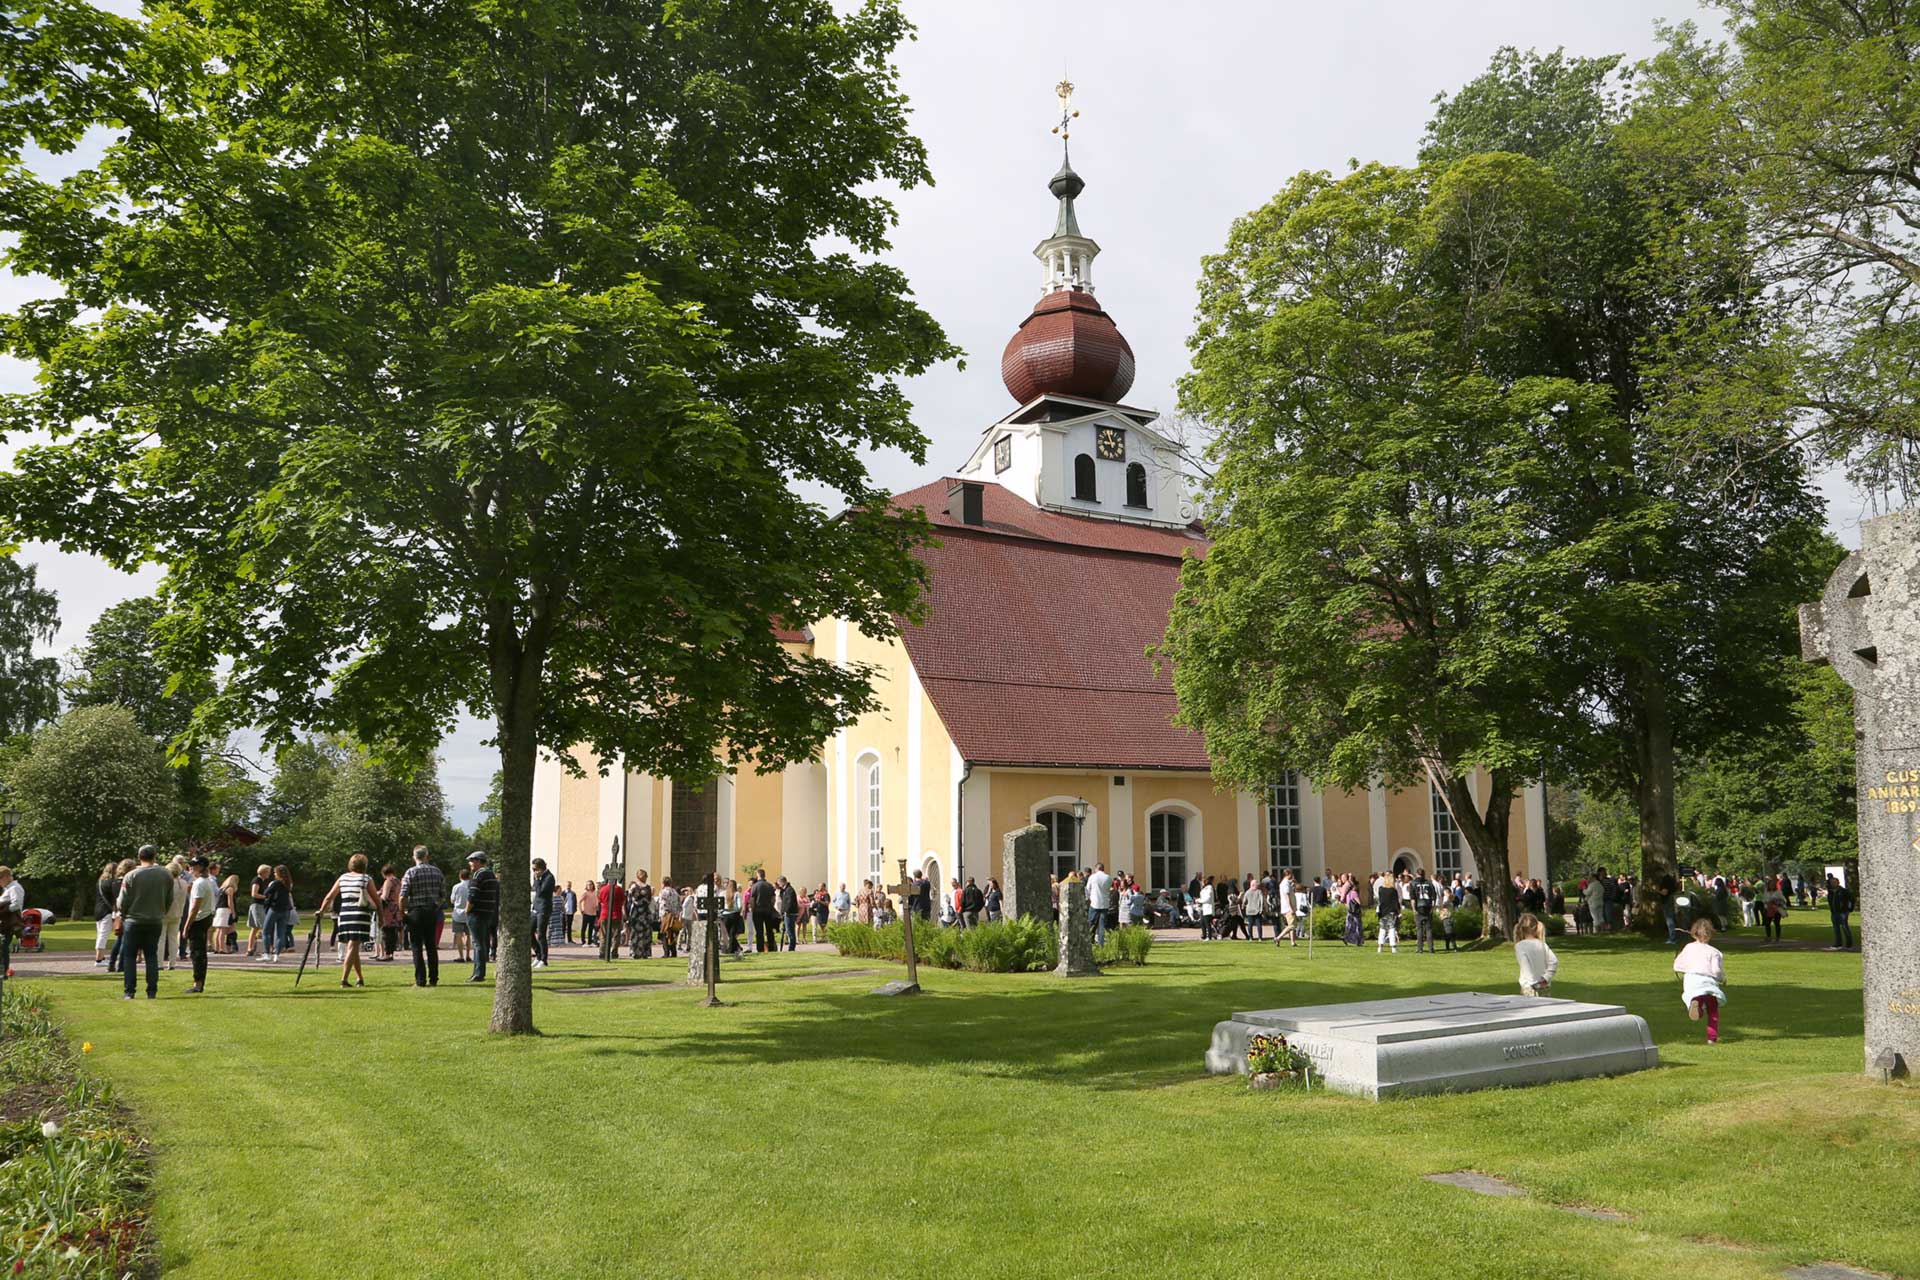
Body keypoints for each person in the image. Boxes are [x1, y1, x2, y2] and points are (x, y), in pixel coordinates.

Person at [116, 845, 176, 1000]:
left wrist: (123, 914)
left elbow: (122, 901)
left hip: (133, 920)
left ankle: (129, 991)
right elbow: (169, 898)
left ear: (139, 856)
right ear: (154, 856)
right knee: (151, 955)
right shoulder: (166, 875)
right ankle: (152, 991)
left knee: (129, 956)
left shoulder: (131, 875)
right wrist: (161, 912)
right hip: (155, 920)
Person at [320, 854, 377, 988]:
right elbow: (376, 899)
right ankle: (344, 980)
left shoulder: (343, 878)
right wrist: (380, 914)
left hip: (344, 914)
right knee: (353, 946)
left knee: (353, 947)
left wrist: (321, 911)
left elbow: (329, 897)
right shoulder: (366, 879)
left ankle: (359, 978)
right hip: (359, 914)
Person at [1674, 918, 1728, 1044]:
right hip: (1708, 983)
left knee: (1697, 998)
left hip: (1692, 981)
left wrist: (1689, 968)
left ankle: (1696, 1003)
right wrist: (1723, 979)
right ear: (1710, 934)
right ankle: (1712, 1038)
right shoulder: (1714, 952)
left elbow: (1677, 966)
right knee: (1713, 1011)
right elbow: (1716, 971)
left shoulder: (1688, 948)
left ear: (1694, 933)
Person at [400, 846, 447, 988]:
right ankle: (433, 978)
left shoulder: (410, 872)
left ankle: (420, 980)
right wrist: (435, 906)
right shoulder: (437, 872)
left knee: (416, 946)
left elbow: (403, 895)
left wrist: (402, 912)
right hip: (431, 911)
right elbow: (443, 895)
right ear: (427, 856)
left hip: (416, 911)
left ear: (414, 857)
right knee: (431, 946)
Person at [466, 854, 500, 981]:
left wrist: (466, 910)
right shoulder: (491, 875)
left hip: (477, 913)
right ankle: (479, 972)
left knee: (477, 943)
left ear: (479, 861)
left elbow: (472, 895)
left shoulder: (478, 875)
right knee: (482, 942)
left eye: (472, 861)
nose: (470, 864)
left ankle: (478, 973)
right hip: (488, 913)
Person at [1514, 912, 1557, 996]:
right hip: (1544, 986)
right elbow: (1554, 961)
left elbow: (1525, 965)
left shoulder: (1520, 946)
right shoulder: (1542, 944)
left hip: (1529, 988)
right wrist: (1546, 978)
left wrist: (1533, 983)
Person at [260, 865, 294, 962]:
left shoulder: (275, 883)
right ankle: (277, 955)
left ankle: (267, 953)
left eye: (275, 873)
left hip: (274, 909)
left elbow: (266, 893)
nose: (274, 874)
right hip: (285, 910)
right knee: (281, 933)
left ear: (279, 873)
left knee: (266, 931)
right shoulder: (289, 883)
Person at [529, 857, 556, 969]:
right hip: (535, 908)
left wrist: (537, 880)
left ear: (541, 868)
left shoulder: (549, 878)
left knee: (541, 934)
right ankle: (538, 955)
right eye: (533, 870)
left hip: (544, 909)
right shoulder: (539, 877)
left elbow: (540, 892)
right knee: (529, 932)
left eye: (535, 869)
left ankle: (544, 959)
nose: (534, 872)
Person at [93, 861, 119, 966]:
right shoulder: (111, 883)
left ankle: (101, 957)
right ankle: (98, 959)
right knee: (103, 935)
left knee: (100, 934)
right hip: (106, 910)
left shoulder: (100, 881)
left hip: (98, 910)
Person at [245, 863, 271, 957]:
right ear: (263, 872)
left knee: (255, 928)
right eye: (268, 872)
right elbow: (254, 894)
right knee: (264, 927)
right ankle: (267, 949)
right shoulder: (257, 880)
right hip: (257, 905)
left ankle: (250, 949)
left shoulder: (263, 881)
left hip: (258, 905)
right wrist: (266, 897)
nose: (269, 874)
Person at [1410, 868, 1437, 954]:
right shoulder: (1429, 883)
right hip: (1428, 906)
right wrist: (1432, 908)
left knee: (1419, 929)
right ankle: (1430, 948)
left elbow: (1413, 898)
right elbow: (1433, 897)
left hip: (1419, 906)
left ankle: (1420, 948)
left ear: (1416, 874)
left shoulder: (1413, 883)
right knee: (1428, 929)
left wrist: (1414, 909)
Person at [749, 872, 778, 953]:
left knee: (759, 931)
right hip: (768, 911)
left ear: (758, 875)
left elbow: (752, 900)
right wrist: (771, 906)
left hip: (758, 911)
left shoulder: (755, 886)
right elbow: (773, 899)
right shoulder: (769, 885)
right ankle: (771, 947)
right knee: (769, 930)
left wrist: (753, 909)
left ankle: (760, 948)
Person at [450, 867, 473, 964]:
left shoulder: (456, 887)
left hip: (458, 914)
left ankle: (461, 956)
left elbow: (452, 900)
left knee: (458, 935)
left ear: (460, 876)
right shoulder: (472, 886)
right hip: (469, 913)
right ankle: (468, 955)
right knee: (468, 935)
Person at [1085, 863, 1112, 945]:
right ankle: (1101, 943)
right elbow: (1108, 889)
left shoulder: (1092, 877)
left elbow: (1087, 889)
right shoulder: (1108, 877)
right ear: (1103, 868)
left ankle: (1090, 941)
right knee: (1102, 925)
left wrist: (1088, 898)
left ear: (1096, 868)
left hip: (1094, 903)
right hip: (1105, 903)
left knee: (1091, 923)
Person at [1826, 875, 1854, 950]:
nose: (1833, 884)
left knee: (1845, 927)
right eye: (1832, 882)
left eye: (1834, 882)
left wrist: (1849, 909)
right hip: (1834, 912)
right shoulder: (1831, 892)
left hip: (1843, 912)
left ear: (1838, 882)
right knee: (1836, 928)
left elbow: (1851, 900)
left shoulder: (1844, 891)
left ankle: (1849, 944)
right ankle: (1838, 943)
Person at [1375, 874, 1401, 954]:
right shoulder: (1393, 891)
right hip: (1391, 911)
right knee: (1392, 929)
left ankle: (1380, 947)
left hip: (1383, 911)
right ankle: (1393, 947)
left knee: (1382, 929)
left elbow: (1380, 900)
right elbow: (1396, 902)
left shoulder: (1381, 889)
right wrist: (1399, 911)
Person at [1759, 878, 1787, 943]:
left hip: (1776, 910)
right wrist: (1766, 903)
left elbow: (1783, 900)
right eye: (1770, 885)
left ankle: (1777, 938)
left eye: (1773, 885)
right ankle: (1768, 937)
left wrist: (1776, 901)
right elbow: (1764, 900)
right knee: (1767, 923)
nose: (1771, 886)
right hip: (1768, 909)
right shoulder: (1766, 892)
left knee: (1777, 924)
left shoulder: (1778, 892)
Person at [779, 876, 801, 951]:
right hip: (788, 913)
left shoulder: (789, 890)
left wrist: (786, 911)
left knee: (790, 931)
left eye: (779, 883)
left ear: (782, 882)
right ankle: (791, 946)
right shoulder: (786, 890)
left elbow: (789, 903)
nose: (779, 885)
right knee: (789, 930)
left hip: (790, 914)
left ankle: (791, 947)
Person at [580, 877, 598, 948]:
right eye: (588, 885)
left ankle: (590, 941)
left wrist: (597, 906)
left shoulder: (595, 892)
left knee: (591, 928)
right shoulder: (585, 893)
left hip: (593, 913)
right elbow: (580, 901)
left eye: (590, 884)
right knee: (584, 927)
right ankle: (583, 941)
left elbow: (597, 900)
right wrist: (581, 909)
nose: (589, 886)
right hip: (586, 912)